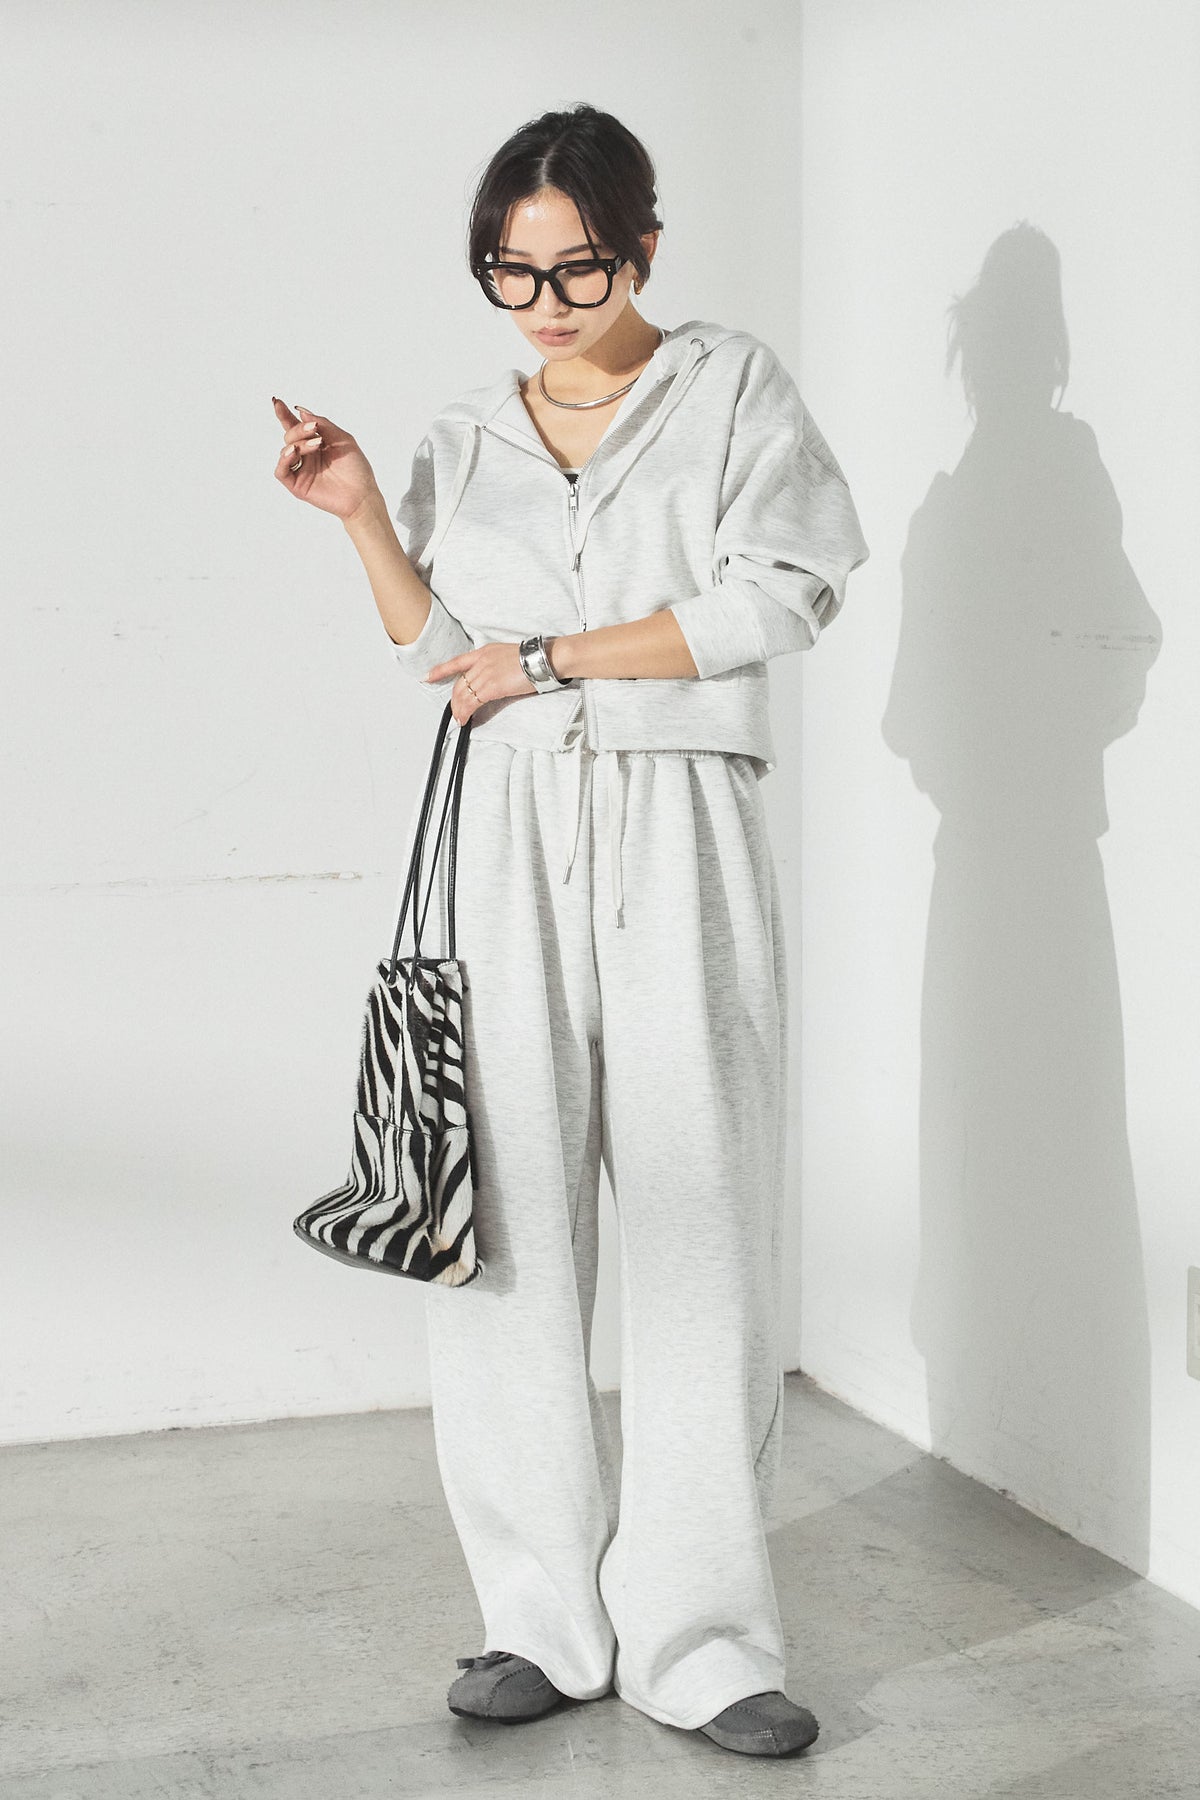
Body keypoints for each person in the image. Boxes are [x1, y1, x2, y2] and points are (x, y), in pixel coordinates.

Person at [272, 102, 868, 1760]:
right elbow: (441, 659)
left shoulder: (734, 391)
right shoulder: (466, 433)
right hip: (506, 831)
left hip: (680, 816)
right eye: (510, 271)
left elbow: (785, 591)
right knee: (510, 1228)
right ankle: (538, 1615)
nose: (543, 302)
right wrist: (360, 517)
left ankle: (702, 1640)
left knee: (700, 1223)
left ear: (647, 245)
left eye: (579, 266)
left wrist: (551, 659)